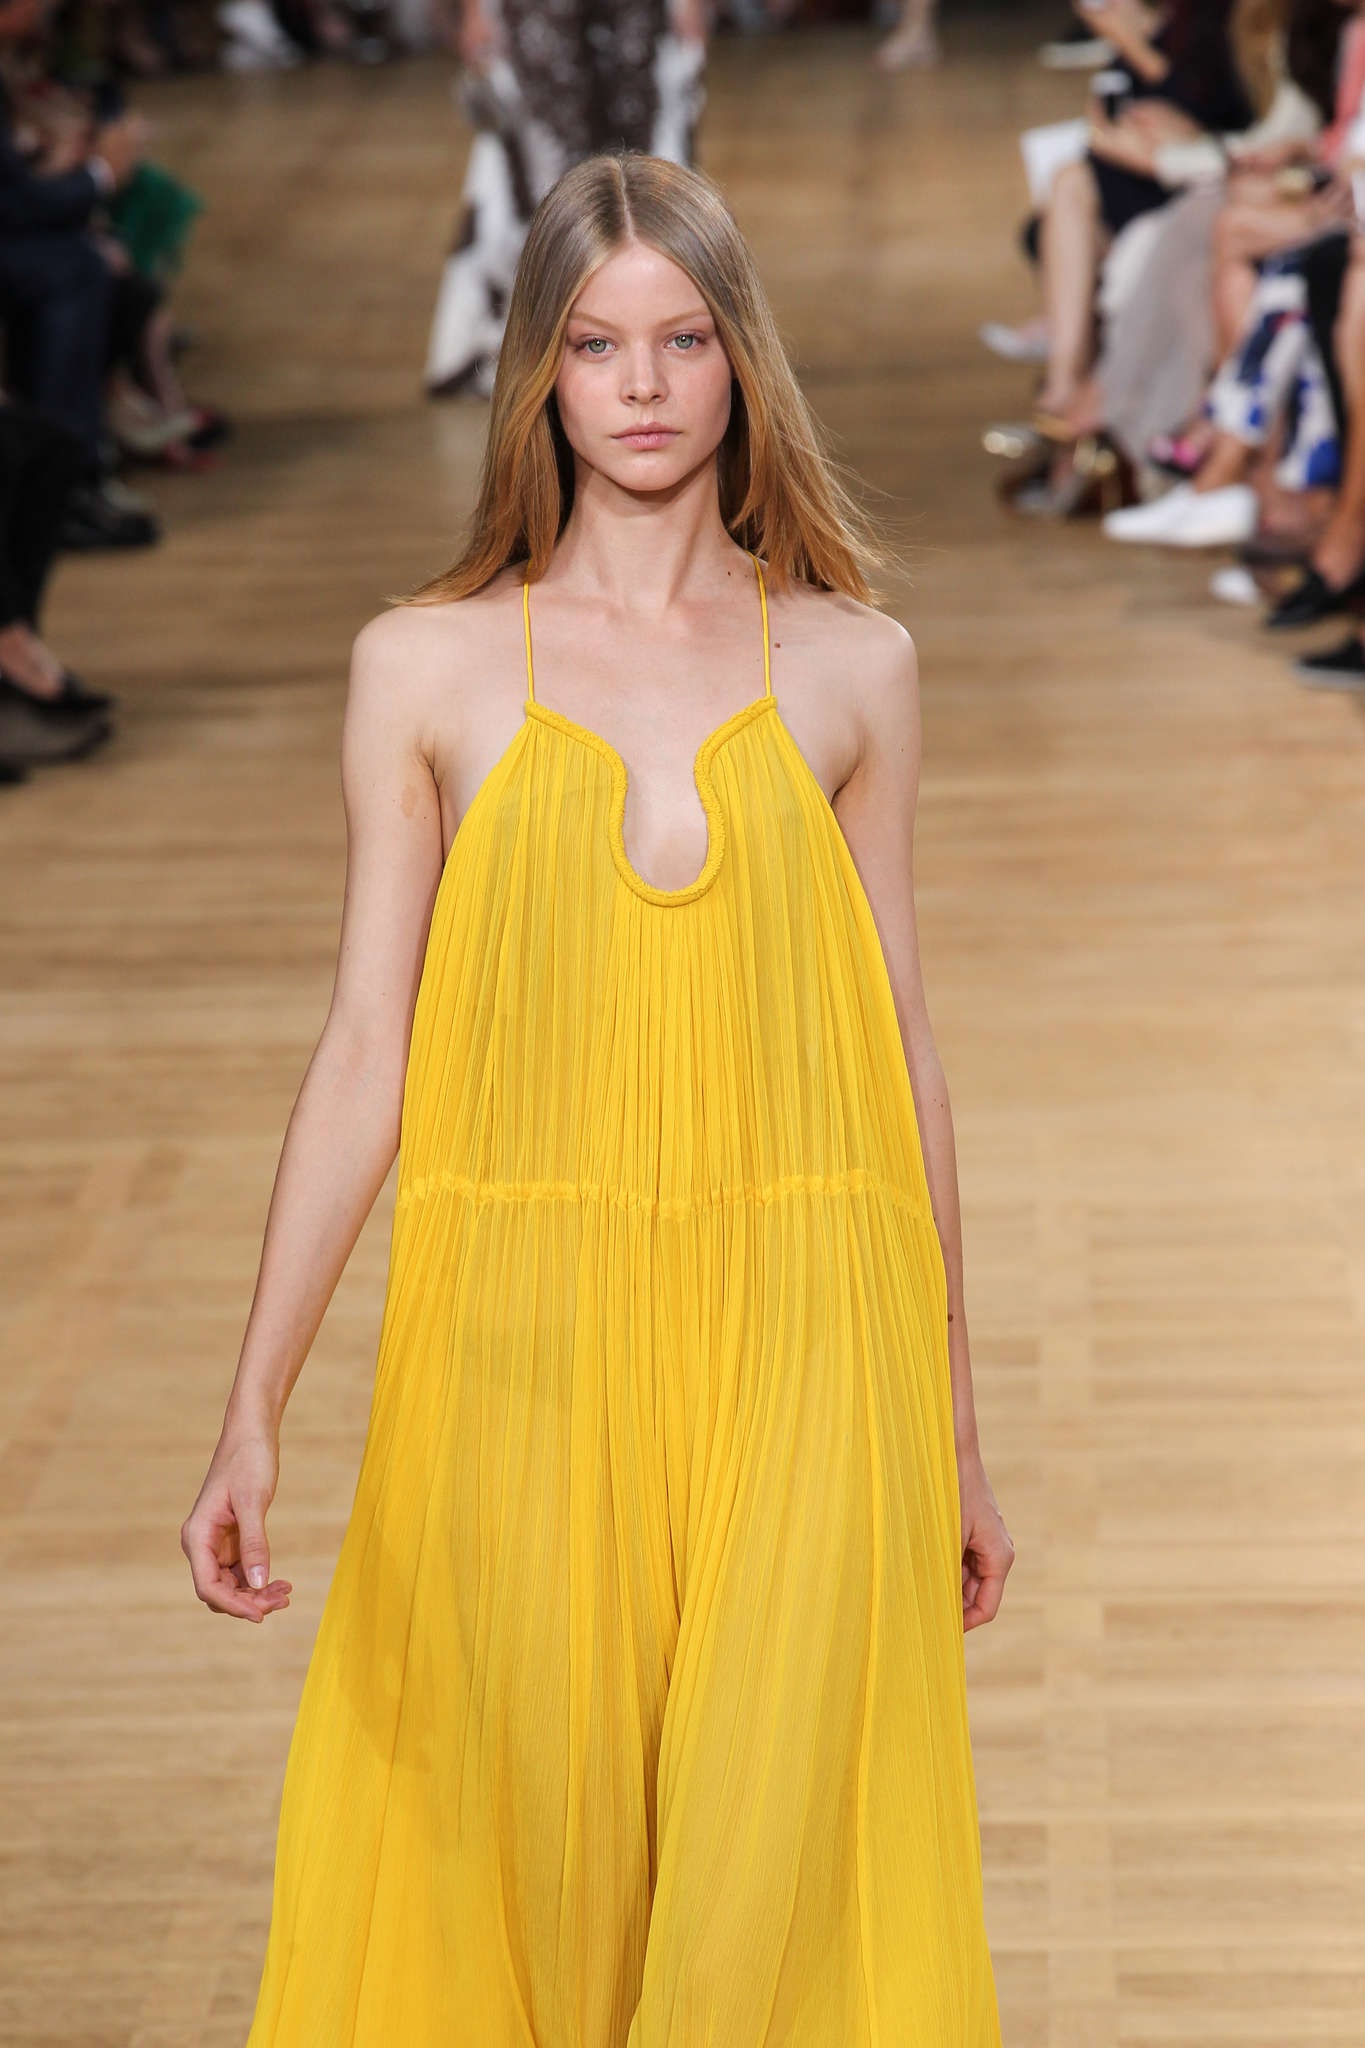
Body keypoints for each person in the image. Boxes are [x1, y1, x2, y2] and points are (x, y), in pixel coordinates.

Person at [182, 150, 1013, 2042]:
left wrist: (954, 1428)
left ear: (741, 363)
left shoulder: (856, 664)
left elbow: (899, 1043)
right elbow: (366, 1044)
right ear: (538, 375)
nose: (641, 385)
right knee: (521, 1859)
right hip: (519, 1339)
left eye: (683, 340)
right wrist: (254, 1404)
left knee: (769, 1868)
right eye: (593, 344)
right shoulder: (425, 666)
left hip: (808, 1325)